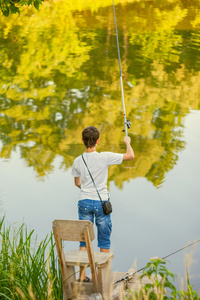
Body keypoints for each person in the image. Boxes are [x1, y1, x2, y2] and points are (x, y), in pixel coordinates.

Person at [71, 126, 134, 280]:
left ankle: (81, 276)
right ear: (97, 141)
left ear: (82, 141)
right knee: (104, 239)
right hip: (101, 203)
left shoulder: (78, 160)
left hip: (84, 201)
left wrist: (86, 187)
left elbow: (77, 182)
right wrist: (127, 142)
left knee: (84, 240)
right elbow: (130, 155)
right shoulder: (104, 157)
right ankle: (99, 276)